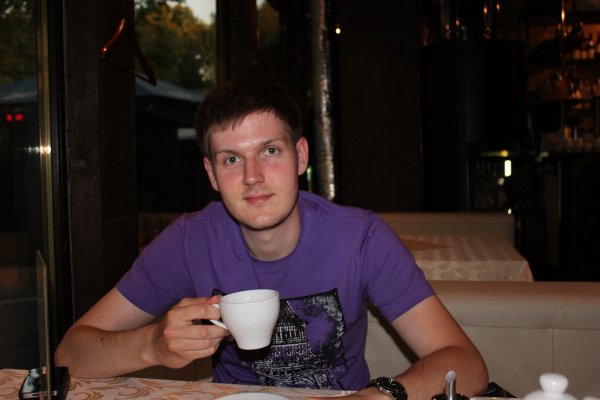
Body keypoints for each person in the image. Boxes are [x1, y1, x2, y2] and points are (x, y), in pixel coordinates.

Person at [54, 76, 488, 400]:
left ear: (300, 156)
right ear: (211, 174)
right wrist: (151, 345)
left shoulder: (361, 238)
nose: (253, 177)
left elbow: (466, 364)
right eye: (231, 159)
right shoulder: (188, 242)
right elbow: (69, 355)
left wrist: (378, 397)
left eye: (270, 151)